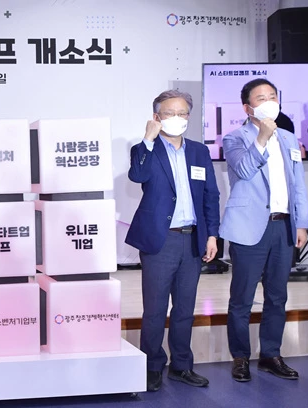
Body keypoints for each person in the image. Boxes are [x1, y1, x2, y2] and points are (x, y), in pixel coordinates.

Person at [125, 90, 220, 392]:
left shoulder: (199, 151)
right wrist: (148, 139)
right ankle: (152, 366)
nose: (177, 118)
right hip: (160, 240)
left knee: (184, 309)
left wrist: (212, 234)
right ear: (157, 117)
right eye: (169, 113)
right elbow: (137, 176)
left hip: (192, 239)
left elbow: (210, 195)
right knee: (155, 310)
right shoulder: (145, 149)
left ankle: (181, 366)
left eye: (182, 113)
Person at [220, 78, 308, 382]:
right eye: (261, 98)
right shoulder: (235, 138)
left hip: (283, 226)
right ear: (248, 108)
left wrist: (301, 223)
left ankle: (271, 354)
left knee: (277, 296)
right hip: (249, 227)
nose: (269, 101)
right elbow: (244, 170)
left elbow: (298, 184)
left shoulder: (288, 138)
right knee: (242, 298)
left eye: (273, 96)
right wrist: (262, 137)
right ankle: (240, 357)